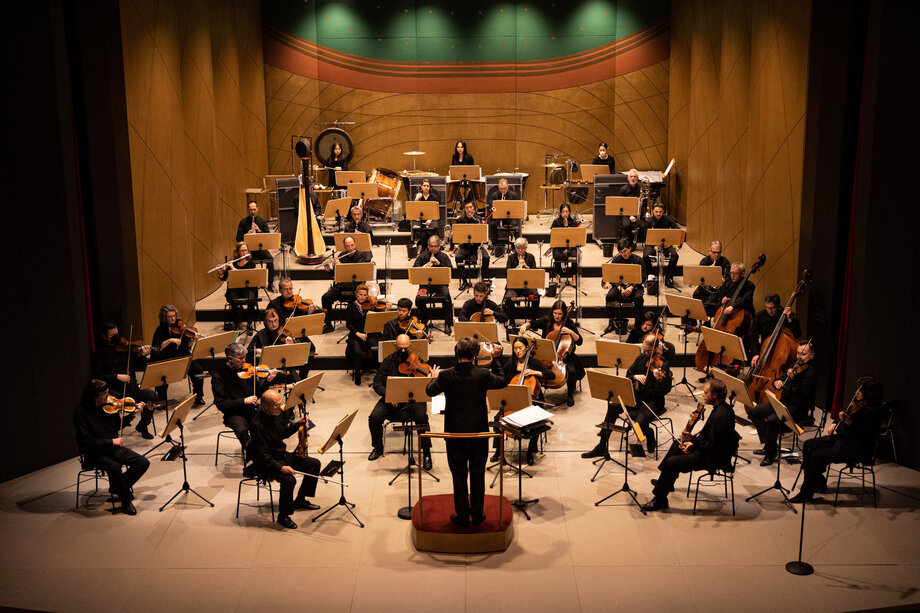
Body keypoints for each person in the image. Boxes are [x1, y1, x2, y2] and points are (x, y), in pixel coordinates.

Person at [426, 337, 506, 526]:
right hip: (479, 433)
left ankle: (462, 515)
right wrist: (497, 359)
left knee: (459, 475)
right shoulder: (483, 374)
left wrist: (434, 377)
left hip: (454, 434)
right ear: (475, 355)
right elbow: (502, 381)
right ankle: (477, 515)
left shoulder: (445, 376)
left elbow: (430, 391)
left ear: (456, 353)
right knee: (477, 474)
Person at [640, 378, 739, 512]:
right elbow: (709, 438)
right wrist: (692, 442)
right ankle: (666, 482)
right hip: (708, 450)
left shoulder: (720, 416)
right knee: (677, 444)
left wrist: (694, 443)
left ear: (715, 395)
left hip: (713, 458)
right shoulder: (720, 408)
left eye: (706, 393)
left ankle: (660, 500)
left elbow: (713, 447)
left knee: (672, 462)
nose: (703, 395)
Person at [790, 376, 884, 504]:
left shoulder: (872, 413)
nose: (856, 392)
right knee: (808, 444)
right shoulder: (858, 405)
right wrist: (837, 422)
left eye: (861, 391)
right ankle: (819, 483)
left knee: (817, 457)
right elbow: (846, 420)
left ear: (869, 394)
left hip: (856, 448)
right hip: (844, 440)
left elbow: (858, 434)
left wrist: (846, 423)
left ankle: (806, 493)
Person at [581, 334, 672, 459]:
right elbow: (628, 374)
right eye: (644, 349)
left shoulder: (663, 364)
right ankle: (601, 446)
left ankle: (648, 433)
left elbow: (665, 390)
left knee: (639, 422)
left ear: (656, 348)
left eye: (649, 350)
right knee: (613, 407)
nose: (646, 353)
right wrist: (635, 377)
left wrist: (658, 380)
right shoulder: (641, 358)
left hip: (653, 401)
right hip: (638, 396)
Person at [73, 379, 151, 515]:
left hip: (112, 449)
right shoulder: (81, 413)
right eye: (105, 393)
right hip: (94, 453)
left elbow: (116, 426)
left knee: (143, 463)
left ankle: (117, 487)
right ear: (94, 396)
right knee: (114, 467)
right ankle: (125, 500)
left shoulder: (108, 407)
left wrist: (132, 414)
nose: (108, 396)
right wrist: (111, 442)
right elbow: (86, 441)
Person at [248, 390, 321, 529]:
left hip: (280, 455)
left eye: (280, 404)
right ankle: (283, 516)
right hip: (265, 463)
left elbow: (283, 433)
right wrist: (280, 468)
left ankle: (300, 500)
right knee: (289, 480)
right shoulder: (256, 424)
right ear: (264, 407)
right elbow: (262, 455)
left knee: (313, 464)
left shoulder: (276, 413)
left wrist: (298, 424)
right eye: (276, 405)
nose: (280, 408)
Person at [367, 334, 434, 468]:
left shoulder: (416, 359)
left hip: (413, 399)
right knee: (374, 417)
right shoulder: (388, 361)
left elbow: (426, 382)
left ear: (410, 346)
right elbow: (377, 383)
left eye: (405, 349)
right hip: (392, 400)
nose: (403, 351)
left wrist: (431, 377)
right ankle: (378, 447)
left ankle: (426, 453)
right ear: (395, 346)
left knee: (421, 417)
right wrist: (389, 394)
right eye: (400, 348)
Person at [748, 341, 817, 466]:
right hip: (782, 403)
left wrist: (792, 381)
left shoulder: (811, 373)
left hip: (797, 409)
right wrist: (777, 383)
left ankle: (771, 453)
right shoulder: (795, 365)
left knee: (771, 420)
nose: (799, 357)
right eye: (798, 353)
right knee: (754, 412)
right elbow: (780, 378)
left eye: (803, 354)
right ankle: (770, 445)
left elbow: (802, 395)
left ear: (811, 356)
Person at [491, 336, 553, 465]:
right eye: (515, 348)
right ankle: (498, 452)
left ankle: (530, 450)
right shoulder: (511, 363)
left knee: (537, 421)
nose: (517, 351)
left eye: (520, 348)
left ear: (526, 348)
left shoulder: (534, 363)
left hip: (533, 401)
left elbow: (551, 375)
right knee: (498, 420)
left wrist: (536, 372)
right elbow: (502, 378)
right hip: (514, 401)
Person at [91, 323, 157, 439]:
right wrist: (116, 376)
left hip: (130, 385)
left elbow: (137, 365)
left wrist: (142, 355)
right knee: (112, 406)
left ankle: (143, 425)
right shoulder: (99, 353)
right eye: (112, 336)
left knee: (152, 396)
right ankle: (114, 432)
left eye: (117, 335)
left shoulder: (124, 348)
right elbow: (98, 375)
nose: (117, 339)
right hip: (113, 389)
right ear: (104, 337)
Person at [211, 342, 277, 452]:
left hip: (252, 409)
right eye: (240, 358)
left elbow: (257, 394)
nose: (244, 361)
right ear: (230, 358)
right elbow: (221, 404)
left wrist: (268, 381)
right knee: (242, 430)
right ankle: (253, 455)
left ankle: (270, 452)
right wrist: (243, 401)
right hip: (234, 413)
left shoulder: (247, 370)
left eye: (244, 357)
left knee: (272, 421)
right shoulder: (219, 376)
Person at [519, 300, 585, 407]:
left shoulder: (569, 323)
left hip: (565, 357)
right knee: (533, 366)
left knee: (572, 371)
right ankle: (538, 395)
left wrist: (571, 332)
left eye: (560, 314)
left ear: (564, 313)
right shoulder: (547, 320)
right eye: (555, 313)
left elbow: (580, 341)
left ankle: (570, 394)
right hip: (546, 356)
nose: (557, 316)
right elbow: (532, 323)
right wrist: (525, 326)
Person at [150, 305, 205, 406]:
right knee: (161, 374)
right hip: (167, 359)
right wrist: (170, 340)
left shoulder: (181, 327)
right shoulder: (160, 330)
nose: (173, 318)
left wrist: (193, 339)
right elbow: (158, 347)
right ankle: (162, 400)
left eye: (174, 316)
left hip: (182, 357)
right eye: (169, 316)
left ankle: (198, 396)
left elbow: (187, 345)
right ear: (164, 317)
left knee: (198, 369)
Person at [321, 235, 373, 332]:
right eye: (347, 246)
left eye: (352, 245)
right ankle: (328, 324)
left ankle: (358, 325)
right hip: (341, 287)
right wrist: (329, 270)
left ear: (355, 245)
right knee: (326, 297)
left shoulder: (361, 256)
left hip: (355, 288)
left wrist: (341, 265)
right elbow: (337, 276)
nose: (350, 248)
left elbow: (357, 274)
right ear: (344, 247)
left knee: (362, 297)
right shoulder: (341, 256)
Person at [604, 238, 646, 334]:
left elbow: (643, 277)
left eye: (625, 251)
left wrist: (632, 287)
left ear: (630, 248)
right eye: (621, 252)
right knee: (609, 296)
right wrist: (620, 288)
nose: (624, 254)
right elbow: (611, 277)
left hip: (635, 287)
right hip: (620, 287)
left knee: (639, 297)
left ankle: (638, 325)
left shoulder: (638, 260)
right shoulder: (616, 260)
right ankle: (611, 323)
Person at [413, 235, 454, 332]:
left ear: (439, 247)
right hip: (426, 285)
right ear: (428, 246)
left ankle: (448, 322)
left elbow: (450, 271)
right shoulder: (422, 256)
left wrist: (439, 264)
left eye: (435, 246)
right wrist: (423, 267)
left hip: (441, 284)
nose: (433, 248)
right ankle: (424, 319)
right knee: (419, 298)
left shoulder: (444, 257)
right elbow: (414, 270)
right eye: (431, 246)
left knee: (446, 296)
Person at [686, 241, 731, 327]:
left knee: (710, 300)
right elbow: (701, 277)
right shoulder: (704, 261)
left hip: (717, 290)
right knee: (696, 295)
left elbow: (728, 278)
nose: (716, 255)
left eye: (719, 252)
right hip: (705, 287)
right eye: (714, 252)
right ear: (709, 251)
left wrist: (724, 280)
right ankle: (693, 322)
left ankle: (707, 321)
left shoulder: (725, 262)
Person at [345, 284, 383, 385]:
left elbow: (376, 318)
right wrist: (358, 334)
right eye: (360, 294)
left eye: (365, 295)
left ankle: (380, 373)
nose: (362, 297)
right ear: (356, 294)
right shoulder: (351, 307)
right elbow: (348, 324)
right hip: (355, 335)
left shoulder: (369, 305)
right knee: (357, 352)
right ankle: (358, 374)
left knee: (376, 348)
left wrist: (384, 308)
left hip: (369, 334)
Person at [748, 294, 802, 363]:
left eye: (772, 308)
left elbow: (797, 335)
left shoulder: (788, 315)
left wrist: (790, 321)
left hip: (783, 352)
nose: (770, 311)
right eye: (767, 307)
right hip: (765, 350)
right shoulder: (761, 315)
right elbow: (754, 336)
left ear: (779, 306)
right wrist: (755, 354)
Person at [235, 201, 276, 289]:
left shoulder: (262, 221)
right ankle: (252, 284)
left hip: (260, 248)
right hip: (248, 250)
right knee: (250, 263)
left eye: (254, 209)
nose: (252, 212)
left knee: (270, 260)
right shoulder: (243, 222)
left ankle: (270, 283)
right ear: (248, 210)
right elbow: (238, 238)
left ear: (257, 209)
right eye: (250, 210)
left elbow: (268, 235)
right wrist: (247, 234)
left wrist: (259, 231)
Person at [639, 203, 681, 289]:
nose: (658, 214)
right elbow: (644, 236)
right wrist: (654, 245)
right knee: (646, 256)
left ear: (663, 212)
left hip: (665, 245)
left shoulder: (668, 219)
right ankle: (650, 276)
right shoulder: (649, 221)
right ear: (653, 212)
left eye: (660, 212)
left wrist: (670, 239)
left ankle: (668, 276)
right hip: (652, 245)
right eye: (656, 211)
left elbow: (676, 229)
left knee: (675, 256)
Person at [218, 242, 259, 329]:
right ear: (237, 252)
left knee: (251, 299)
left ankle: (249, 323)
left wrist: (232, 268)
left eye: (246, 250)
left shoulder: (251, 263)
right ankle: (237, 321)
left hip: (248, 289)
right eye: (242, 251)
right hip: (235, 290)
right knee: (233, 300)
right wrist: (221, 272)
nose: (244, 253)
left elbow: (243, 276)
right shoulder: (233, 263)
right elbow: (223, 278)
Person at [503, 237, 539, 326]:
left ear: (525, 248)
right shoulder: (511, 258)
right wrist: (516, 269)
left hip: (528, 286)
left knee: (536, 296)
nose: (520, 250)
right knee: (509, 298)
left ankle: (533, 321)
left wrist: (526, 266)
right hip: (514, 286)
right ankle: (512, 320)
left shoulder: (530, 257)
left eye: (522, 248)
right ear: (515, 248)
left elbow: (535, 273)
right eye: (518, 248)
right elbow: (507, 273)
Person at [452, 200, 490, 285]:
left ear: (474, 208)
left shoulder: (479, 220)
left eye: (471, 207)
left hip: (477, 247)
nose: (469, 209)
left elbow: (484, 236)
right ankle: (464, 281)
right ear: (464, 209)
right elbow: (457, 235)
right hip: (465, 246)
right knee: (458, 257)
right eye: (467, 208)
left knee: (486, 257)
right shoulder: (460, 221)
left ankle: (483, 279)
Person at [486, 178, 521, 254]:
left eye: (504, 189)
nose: (503, 191)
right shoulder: (494, 195)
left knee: (514, 224)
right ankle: (494, 245)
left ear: (508, 187)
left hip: (510, 216)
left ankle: (514, 245)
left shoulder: (513, 195)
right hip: (498, 216)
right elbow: (490, 208)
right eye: (501, 189)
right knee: (493, 224)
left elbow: (518, 207)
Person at [550, 203, 578, 283]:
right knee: (557, 255)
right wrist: (561, 248)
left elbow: (575, 238)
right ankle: (557, 276)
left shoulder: (573, 222)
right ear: (560, 213)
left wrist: (568, 249)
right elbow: (553, 237)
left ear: (569, 212)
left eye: (567, 211)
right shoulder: (556, 222)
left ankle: (574, 277)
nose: (565, 214)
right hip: (559, 247)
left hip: (571, 247)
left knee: (574, 255)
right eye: (563, 212)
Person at [618, 168, 642, 238]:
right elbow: (620, 205)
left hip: (637, 213)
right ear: (628, 178)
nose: (633, 178)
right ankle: (628, 243)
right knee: (626, 225)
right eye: (631, 177)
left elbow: (644, 203)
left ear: (637, 178)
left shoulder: (640, 189)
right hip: (626, 213)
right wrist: (630, 215)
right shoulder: (623, 189)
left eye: (634, 177)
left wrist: (641, 204)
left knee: (644, 225)